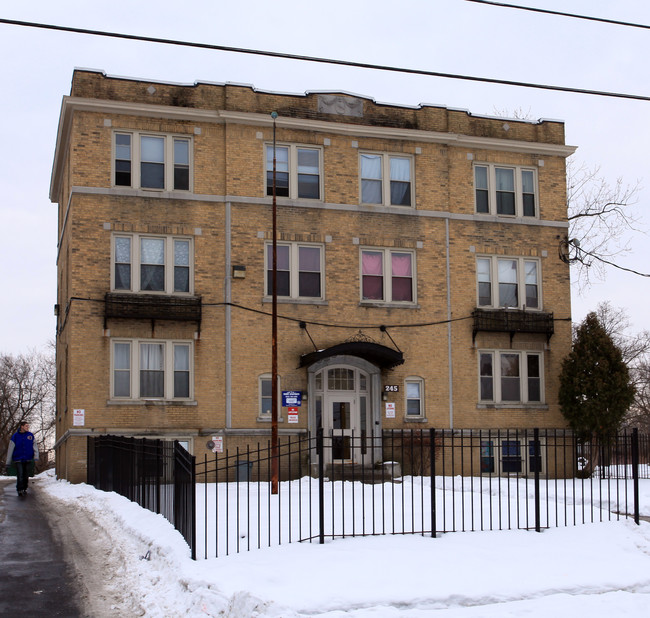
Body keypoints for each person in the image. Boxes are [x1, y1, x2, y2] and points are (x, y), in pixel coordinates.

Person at [5, 422, 39, 496]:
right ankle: (20, 489)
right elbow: (10, 449)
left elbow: (35, 447)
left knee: (25, 475)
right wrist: (8, 462)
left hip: (28, 459)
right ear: (22, 426)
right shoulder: (15, 436)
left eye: (28, 426)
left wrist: (36, 457)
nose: (27, 427)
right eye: (26, 426)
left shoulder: (30, 436)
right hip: (18, 459)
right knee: (20, 474)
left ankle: (24, 488)